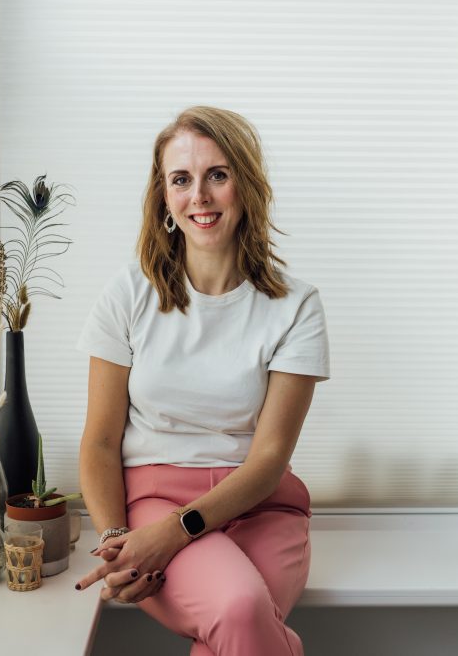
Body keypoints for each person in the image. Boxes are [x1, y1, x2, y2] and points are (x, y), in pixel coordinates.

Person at [74, 105, 331, 656]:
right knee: (241, 611)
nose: (200, 196)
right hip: (153, 499)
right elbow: (99, 440)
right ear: (164, 196)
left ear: (246, 185)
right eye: (181, 179)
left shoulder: (297, 307)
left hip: (261, 504)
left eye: (217, 175)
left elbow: (269, 459)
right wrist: (119, 539)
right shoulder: (127, 296)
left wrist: (175, 532)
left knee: (237, 623)